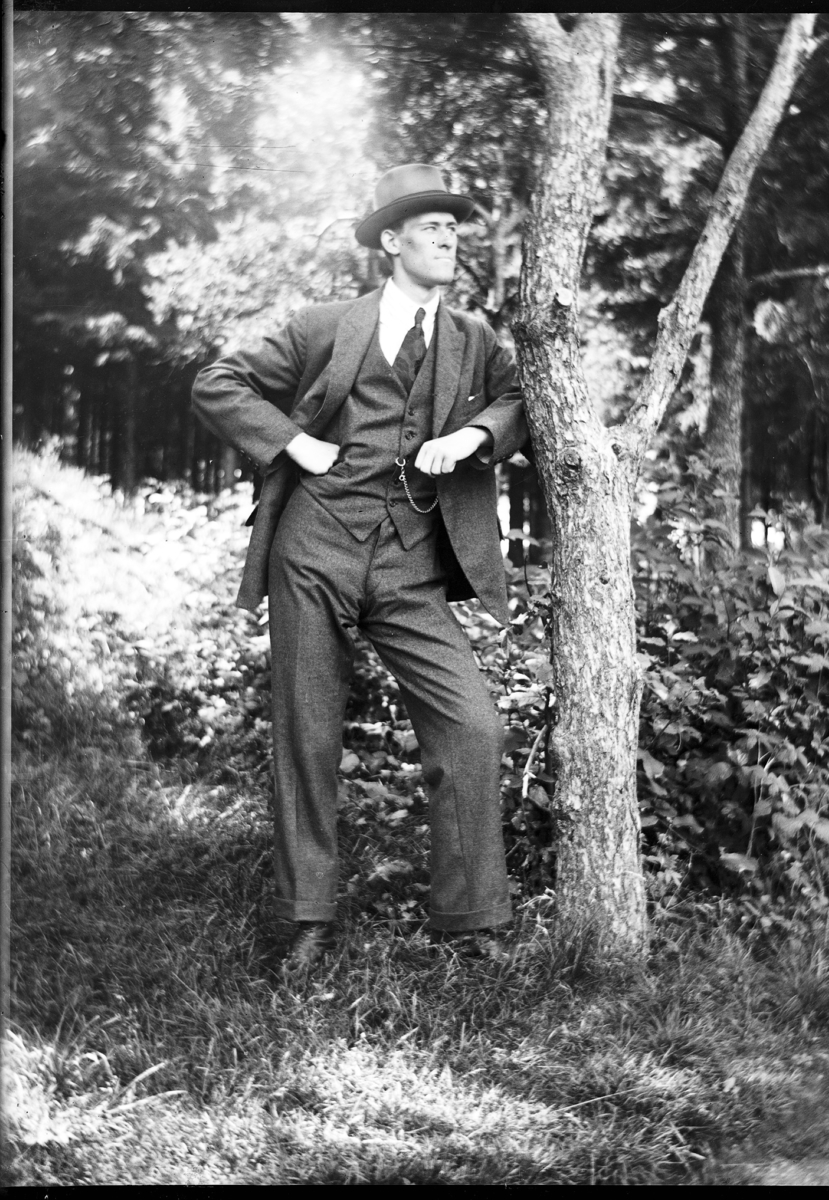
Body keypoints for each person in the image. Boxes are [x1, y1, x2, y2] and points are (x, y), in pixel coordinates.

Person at [192, 163, 530, 969]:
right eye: (430, 226)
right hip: (314, 548)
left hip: (413, 564)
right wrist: (295, 444)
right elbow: (218, 381)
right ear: (390, 242)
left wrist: (474, 436)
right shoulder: (324, 325)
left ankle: (469, 918)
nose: (448, 237)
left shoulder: (474, 340)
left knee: (473, 724)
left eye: (453, 227)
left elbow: (521, 400)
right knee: (306, 730)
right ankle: (307, 916)